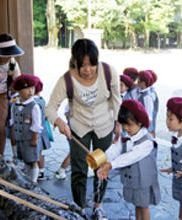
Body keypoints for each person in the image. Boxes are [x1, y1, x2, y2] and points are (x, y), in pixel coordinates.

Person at [45, 38, 121, 218]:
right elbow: (50, 108)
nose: (88, 70)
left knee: (102, 166)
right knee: (78, 169)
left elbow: (117, 99)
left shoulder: (109, 72)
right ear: (75, 62)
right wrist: (60, 122)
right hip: (78, 129)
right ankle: (79, 207)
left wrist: (118, 123)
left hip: (104, 126)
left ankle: (98, 205)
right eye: (83, 65)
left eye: (92, 64)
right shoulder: (67, 79)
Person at [97, 99, 161, 220]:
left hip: (144, 182)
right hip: (133, 181)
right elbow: (115, 150)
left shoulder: (147, 142)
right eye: (123, 124)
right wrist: (102, 160)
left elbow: (131, 156)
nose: (126, 128)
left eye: (129, 124)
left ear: (140, 123)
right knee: (137, 205)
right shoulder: (127, 137)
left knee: (144, 207)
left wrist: (111, 165)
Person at [10, 74, 42, 183]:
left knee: (32, 160)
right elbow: (12, 122)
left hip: (30, 139)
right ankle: (27, 178)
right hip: (20, 138)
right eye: (26, 89)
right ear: (18, 91)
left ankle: (33, 181)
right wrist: (13, 136)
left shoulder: (34, 106)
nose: (30, 91)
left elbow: (37, 125)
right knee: (24, 158)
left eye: (32, 88)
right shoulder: (14, 105)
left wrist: (34, 139)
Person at [32, 75, 52, 180]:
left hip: (36, 132)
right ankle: (41, 170)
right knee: (39, 152)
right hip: (42, 130)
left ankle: (38, 171)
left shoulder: (33, 103)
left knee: (36, 152)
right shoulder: (41, 100)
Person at [137, 70, 155, 137]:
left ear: (143, 82)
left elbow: (149, 118)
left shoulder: (147, 97)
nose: (137, 82)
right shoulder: (140, 92)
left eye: (139, 80)